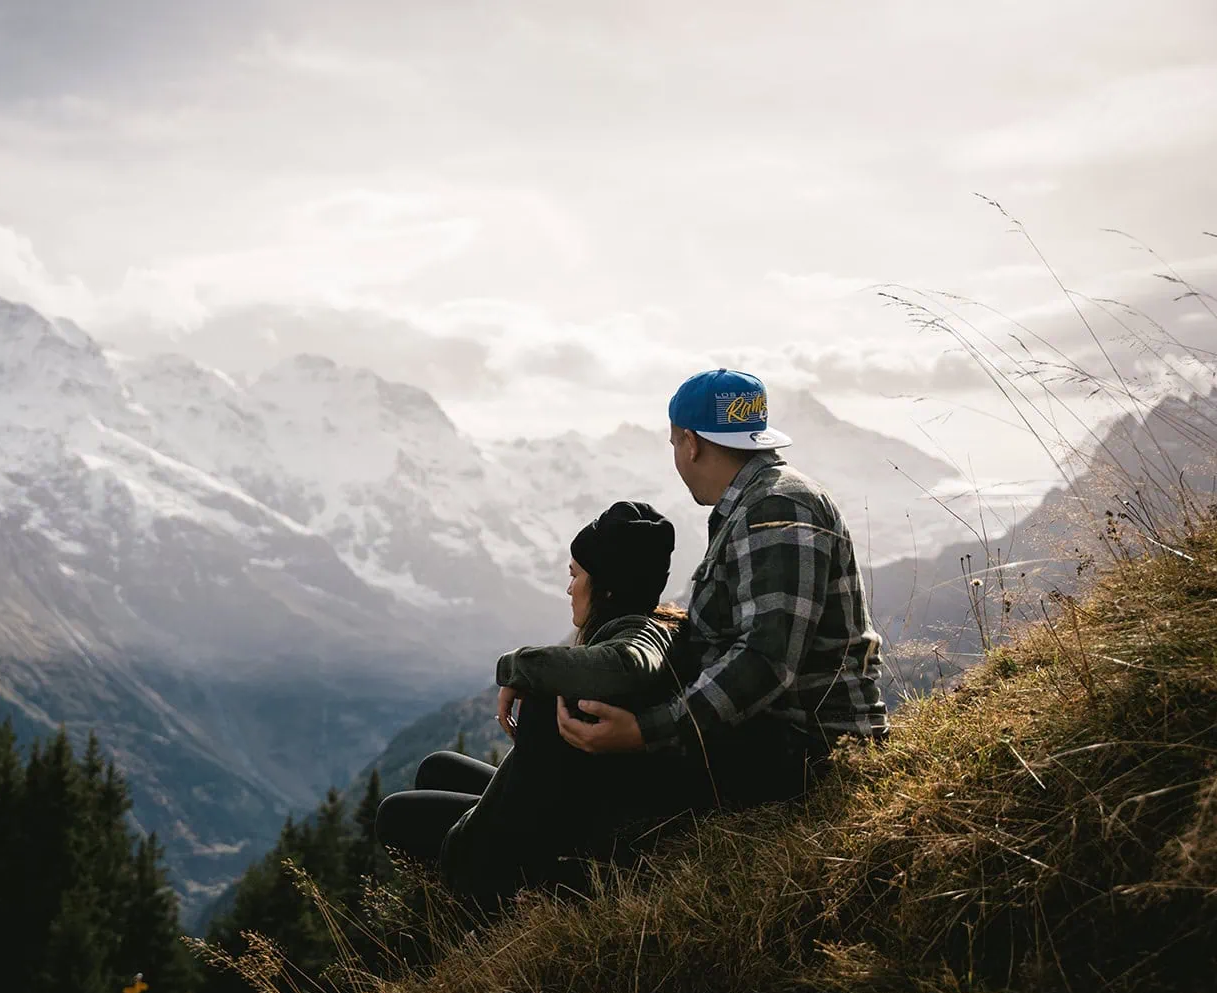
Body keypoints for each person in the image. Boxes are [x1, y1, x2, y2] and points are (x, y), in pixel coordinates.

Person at [558, 369, 888, 805]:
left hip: (809, 751)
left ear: (691, 443)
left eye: (674, 443)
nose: (677, 456)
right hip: (775, 737)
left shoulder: (775, 508)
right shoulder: (757, 502)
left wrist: (647, 732)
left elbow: (766, 661)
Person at [374, 501, 697, 904]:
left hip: (577, 835)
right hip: (584, 804)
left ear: (607, 586)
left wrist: (520, 668)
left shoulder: (639, 638)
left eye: (575, 575)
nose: (569, 588)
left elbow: (628, 665)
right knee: (438, 768)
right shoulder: (654, 624)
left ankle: (479, 900)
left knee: (395, 816)